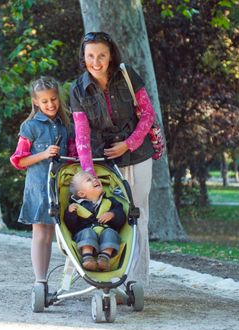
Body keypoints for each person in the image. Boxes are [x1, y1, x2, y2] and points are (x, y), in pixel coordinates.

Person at [70, 32, 156, 286]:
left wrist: (128, 144)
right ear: (83, 57)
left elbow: (148, 115)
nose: (96, 62)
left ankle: (137, 280)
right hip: (103, 162)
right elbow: (82, 136)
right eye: (90, 56)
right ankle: (108, 275)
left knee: (138, 215)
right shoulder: (77, 90)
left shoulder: (127, 75)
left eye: (101, 56)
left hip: (138, 155)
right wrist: (89, 174)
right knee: (105, 216)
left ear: (110, 56)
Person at [10, 76, 75, 296]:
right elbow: (19, 160)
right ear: (36, 102)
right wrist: (43, 154)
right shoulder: (30, 127)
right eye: (45, 101)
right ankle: (41, 282)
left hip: (62, 186)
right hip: (39, 187)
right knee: (41, 234)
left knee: (66, 233)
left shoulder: (66, 126)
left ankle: (67, 282)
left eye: (53, 99)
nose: (50, 104)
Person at [64, 171, 126, 272]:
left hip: (105, 231)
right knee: (87, 232)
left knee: (111, 233)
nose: (95, 179)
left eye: (94, 177)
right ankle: (87, 257)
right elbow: (71, 225)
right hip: (85, 235)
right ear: (81, 194)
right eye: (89, 180)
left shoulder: (110, 201)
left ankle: (105, 258)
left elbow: (121, 217)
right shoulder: (76, 206)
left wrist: (113, 214)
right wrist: (70, 213)